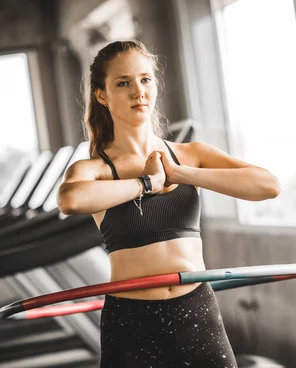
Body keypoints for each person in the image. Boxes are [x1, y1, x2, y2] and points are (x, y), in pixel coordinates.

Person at [57, 40, 281, 368]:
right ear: (102, 95)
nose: (138, 91)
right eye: (123, 83)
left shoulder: (192, 155)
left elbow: (268, 186)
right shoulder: (95, 169)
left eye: (145, 79)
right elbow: (71, 199)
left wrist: (179, 172)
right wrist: (147, 184)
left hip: (197, 313)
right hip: (131, 322)